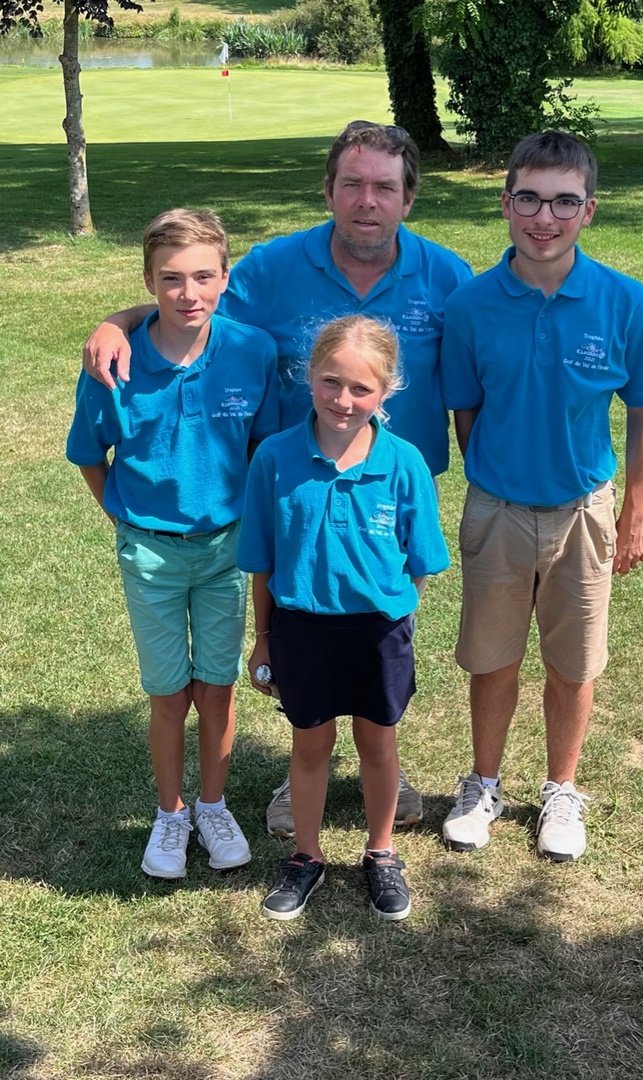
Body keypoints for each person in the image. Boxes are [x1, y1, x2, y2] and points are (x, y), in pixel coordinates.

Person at [81, 120, 473, 837]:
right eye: (351, 183)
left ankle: (383, 756)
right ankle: (308, 771)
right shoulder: (272, 268)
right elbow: (194, 306)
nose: (366, 201)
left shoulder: (447, 277)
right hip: (294, 492)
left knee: (383, 628)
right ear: (328, 190)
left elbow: (488, 362)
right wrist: (118, 319)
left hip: (392, 489)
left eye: (384, 186)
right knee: (306, 629)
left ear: (408, 198)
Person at [439, 131, 643, 862]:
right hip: (498, 510)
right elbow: (466, 411)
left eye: (565, 202)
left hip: (583, 512)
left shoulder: (623, 301)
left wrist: (635, 514)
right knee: (492, 659)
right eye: (531, 199)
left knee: (574, 664)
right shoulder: (472, 304)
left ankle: (562, 791)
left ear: (589, 210)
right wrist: (498, 473)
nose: (546, 217)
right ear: (506, 204)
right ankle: (482, 784)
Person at [66, 209, 280, 880]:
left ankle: (213, 806)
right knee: (168, 695)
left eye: (204, 277)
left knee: (216, 688)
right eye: (172, 279)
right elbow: (89, 454)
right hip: (149, 555)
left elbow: (263, 450)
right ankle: (171, 814)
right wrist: (126, 519)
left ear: (225, 276)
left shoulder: (253, 351)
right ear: (148, 282)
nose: (190, 294)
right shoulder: (115, 363)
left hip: (225, 550)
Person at [237, 315, 449, 921]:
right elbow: (261, 562)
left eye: (362, 389)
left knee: (377, 744)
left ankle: (381, 853)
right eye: (331, 382)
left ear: (387, 391)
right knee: (311, 746)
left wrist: (391, 615)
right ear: (308, 377)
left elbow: (420, 562)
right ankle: (306, 857)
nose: (344, 400)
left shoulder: (404, 463)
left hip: (378, 631)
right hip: (301, 629)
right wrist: (265, 638)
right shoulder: (276, 459)